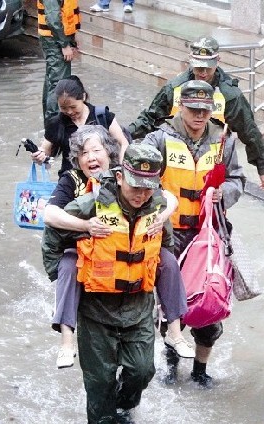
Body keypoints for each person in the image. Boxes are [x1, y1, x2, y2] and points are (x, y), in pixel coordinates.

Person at [41, 125, 194, 370]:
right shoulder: (72, 183)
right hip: (84, 246)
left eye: (96, 150)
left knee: (168, 261)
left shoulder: (130, 181)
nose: (91, 157)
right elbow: (48, 216)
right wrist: (85, 226)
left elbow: (168, 199)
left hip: (130, 247)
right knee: (68, 267)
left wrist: (162, 217)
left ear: (110, 153)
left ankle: (175, 332)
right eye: (84, 154)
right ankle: (66, 342)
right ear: (77, 160)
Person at [142, 79, 245, 388]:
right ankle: (172, 366)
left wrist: (223, 191)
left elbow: (239, 179)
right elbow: (139, 181)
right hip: (169, 238)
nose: (200, 116)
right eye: (194, 109)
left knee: (210, 306)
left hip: (209, 236)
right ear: (181, 107)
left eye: (205, 110)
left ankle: (200, 370)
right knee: (169, 308)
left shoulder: (223, 140)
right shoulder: (158, 140)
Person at [61, 143, 169, 422]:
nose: (141, 195)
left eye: (148, 188)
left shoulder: (157, 208)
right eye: (135, 187)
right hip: (97, 310)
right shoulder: (90, 206)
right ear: (120, 177)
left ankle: (122, 407)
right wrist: (63, 276)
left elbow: (165, 245)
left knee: (143, 370)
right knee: (99, 384)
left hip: (139, 308)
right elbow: (54, 236)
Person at [129, 35, 264, 189]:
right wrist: (124, 135)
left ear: (218, 60)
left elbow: (249, 131)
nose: (203, 72)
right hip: (175, 164)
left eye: (208, 67)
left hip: (211, 161)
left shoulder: (230, 95)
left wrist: (262, 167)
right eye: (198, 67)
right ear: (190, 60)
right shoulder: (174, 88)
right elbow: (149, 118)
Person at [32, 76, 130, 177]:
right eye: (63, 108)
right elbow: (45, 153)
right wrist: (39, 156)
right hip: (71, 181)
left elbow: (123, 143)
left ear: (83, 97)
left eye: (73, 107)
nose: (69, 112)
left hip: (103, 178)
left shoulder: (102, 116)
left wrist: (121, 169)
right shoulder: (56, 123)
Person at [37, 0, 80, 124]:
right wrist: (64, 44)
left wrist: (71, 40)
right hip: (54, 40)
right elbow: (53, 19)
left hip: (56, 39)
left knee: (53, 83)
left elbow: (65, 12)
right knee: (58, 86)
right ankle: (54, 129)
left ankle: (51, 128)